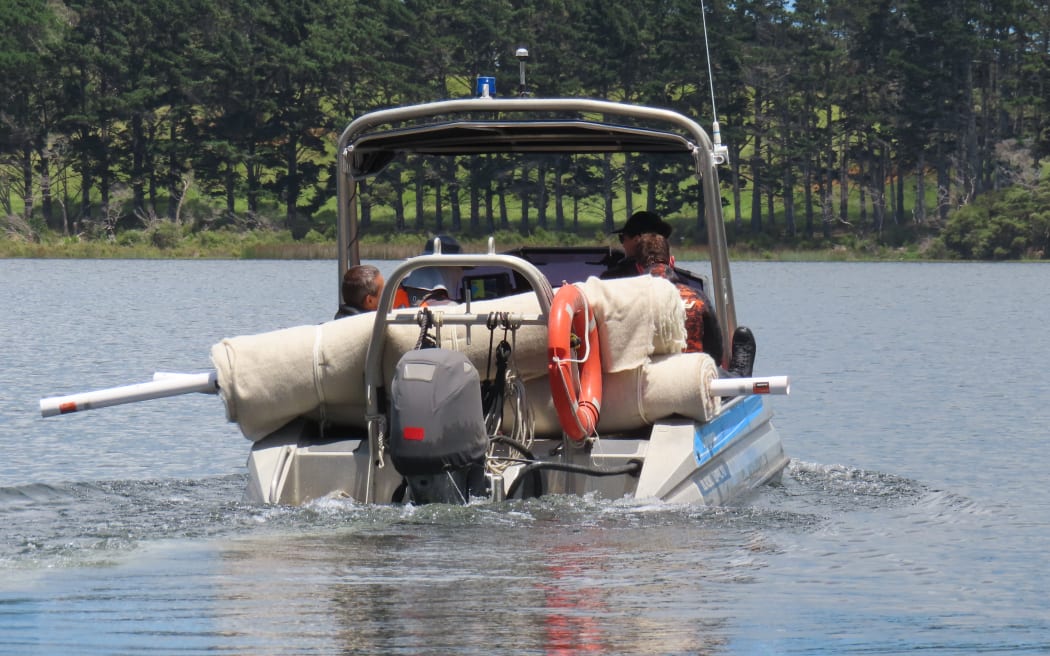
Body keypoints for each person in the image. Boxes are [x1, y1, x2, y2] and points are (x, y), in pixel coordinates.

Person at [634, 233, 756, 377]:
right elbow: (715, 354)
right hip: (693, 380)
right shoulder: (697, 298)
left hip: (643, 382)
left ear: (639, 268)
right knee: (724, 375)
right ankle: (739, 375)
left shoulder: (627, 300)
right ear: (672, 262)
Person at [601, 210, 674, 279]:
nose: (623, 245)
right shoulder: (676, 279)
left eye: (622, 238)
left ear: (637, 240)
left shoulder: (612, 277)